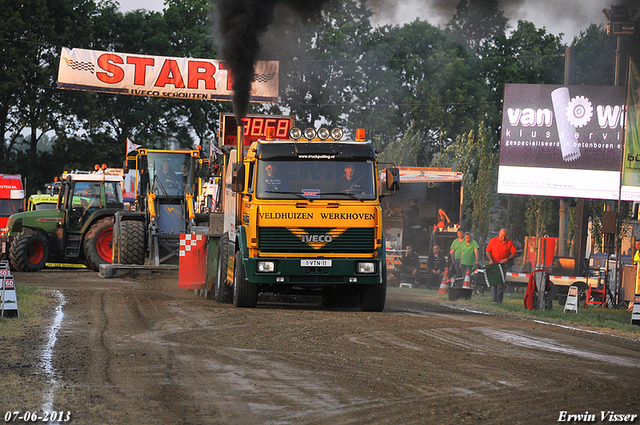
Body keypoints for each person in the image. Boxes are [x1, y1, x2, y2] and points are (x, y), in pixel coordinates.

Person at [485, 228, 517, 303]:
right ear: (499, 234)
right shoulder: (493, 240)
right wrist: (490, 260)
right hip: (494, 264)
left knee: (501, 283)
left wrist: (506, 260)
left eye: (504, 236)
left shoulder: (509, 243)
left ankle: (499, 301)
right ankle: (494, 300)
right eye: (501, 236)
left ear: (507, 236)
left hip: (502, 265)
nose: (502, 238)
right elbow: (488, 251)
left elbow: (514, 253)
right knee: (494, 282)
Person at [628, 239, 640, 311]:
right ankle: (634, 307)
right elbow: (635, 266)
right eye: (636, 245)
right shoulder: (637, 253)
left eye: (639, 244)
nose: (637, 246)